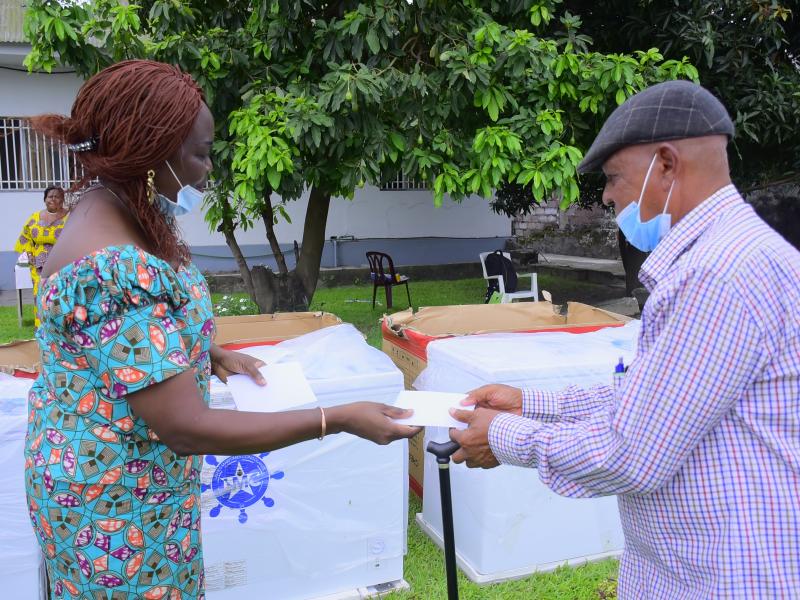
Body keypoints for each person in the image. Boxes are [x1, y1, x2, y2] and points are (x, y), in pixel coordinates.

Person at [25, 59, 420, 600]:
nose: (207, 171)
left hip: (134, 483)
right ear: (153, 150)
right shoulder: (109, 263)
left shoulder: (118, 211)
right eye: (200, 154)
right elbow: (185, 426)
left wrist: (205, 352)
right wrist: (337, 418)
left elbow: (127, 339)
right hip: (111, 501)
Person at [449, 81, 800, 599]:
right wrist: (530, 403)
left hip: (725, 573)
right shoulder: (729, 257)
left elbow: (630, 451)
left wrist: (502, 435)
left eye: (614, 177)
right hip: (691, 563)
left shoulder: (716, 274)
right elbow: (652, 396)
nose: (609, 196)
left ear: (665, 164)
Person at [14, 185, 69, 326]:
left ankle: (62, 326)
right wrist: (30, 255)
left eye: (57, 196)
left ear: (62, 200)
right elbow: (25, 237)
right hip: (39, 267)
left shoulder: (70, 217)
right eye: (50, 196)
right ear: (45, 199)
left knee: (61, 295)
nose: (53, 199)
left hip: (62, 265)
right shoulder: (35, 217)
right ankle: (42, 328)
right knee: (40, 295)